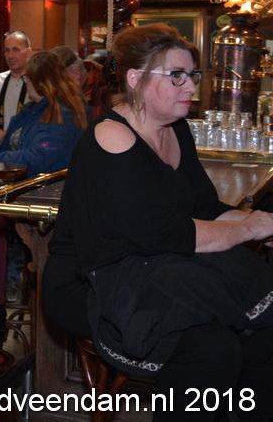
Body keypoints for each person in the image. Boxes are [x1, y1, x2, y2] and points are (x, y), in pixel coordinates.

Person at [42, 25, 273, 421]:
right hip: (92, 281)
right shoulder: (112, 137)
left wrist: (261, 222)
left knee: (257, 337)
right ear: (136, 79)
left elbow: (205, 207)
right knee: (212, 349)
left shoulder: (176, 129)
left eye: (192, 75)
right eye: (176, 75)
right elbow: (164, 232)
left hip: (155, 266)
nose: (191, 87)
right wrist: (249, 230)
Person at [0, 51, 86, 307]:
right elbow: (14, 150)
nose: (24, 82)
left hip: (42, 193)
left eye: (28, 78)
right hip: (23, 185)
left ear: (40, 81)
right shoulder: (38, 109)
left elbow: (36, 159)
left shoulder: (61, 114)